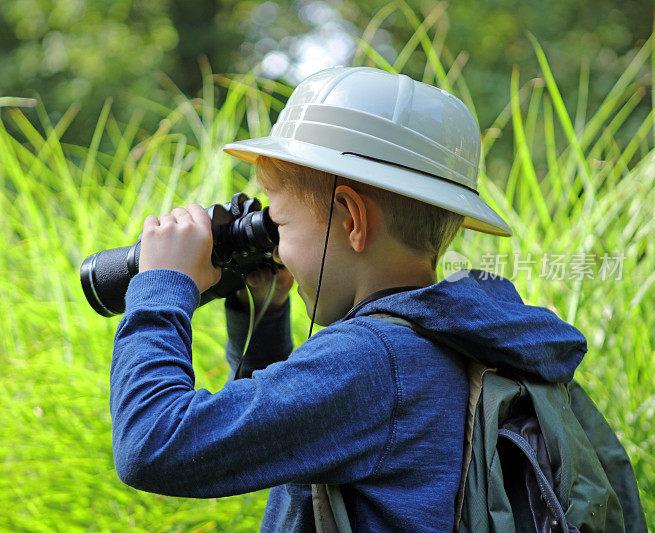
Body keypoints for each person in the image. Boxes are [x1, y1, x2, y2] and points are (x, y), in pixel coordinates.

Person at [110, 67, 588, 531]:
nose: (274, 245)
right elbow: (277, 442)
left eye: (280, 221)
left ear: (352, 219)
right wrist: (266, 312)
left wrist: (163, 283)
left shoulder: (373, 361)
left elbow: (154, 445)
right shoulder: (457, 336)